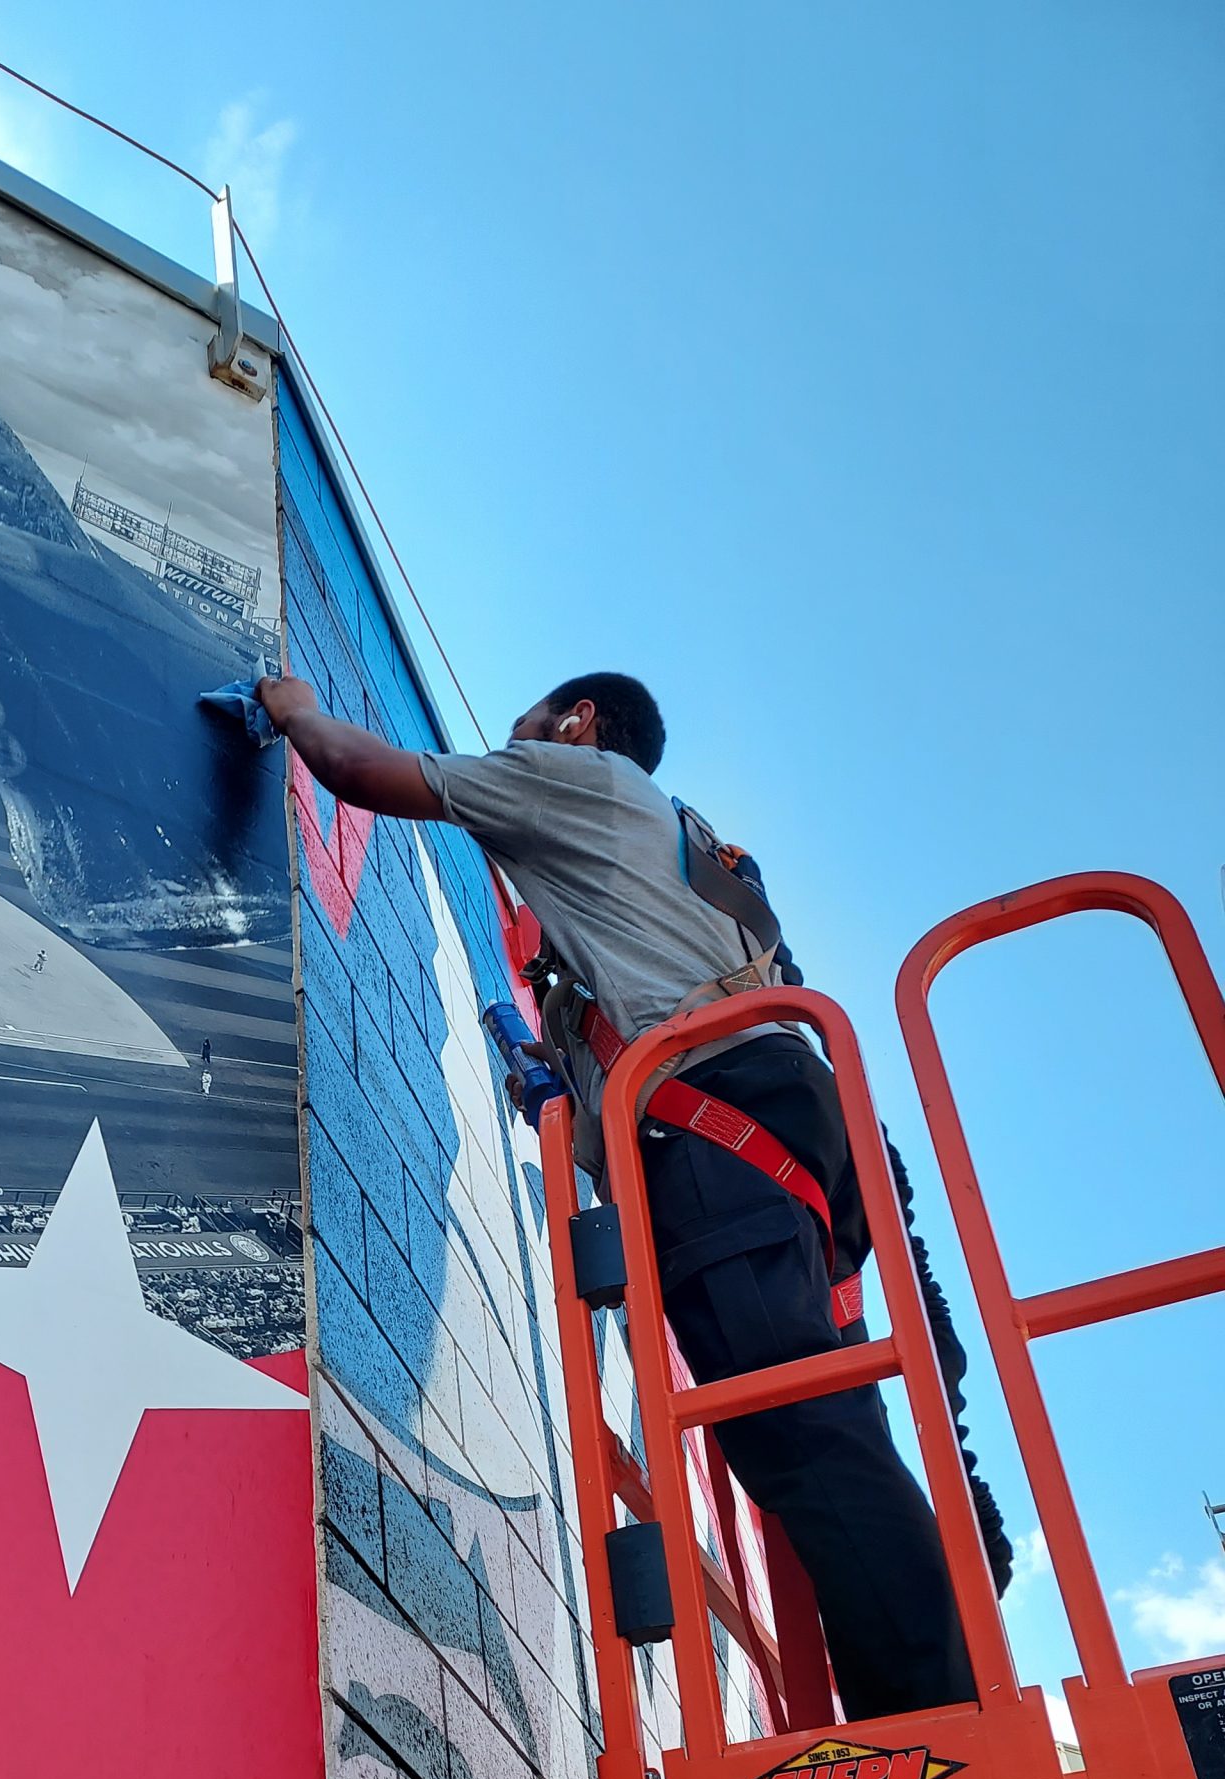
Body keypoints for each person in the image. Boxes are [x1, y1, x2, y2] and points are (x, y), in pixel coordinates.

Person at [256, 665, 979, 1725]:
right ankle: (934, 1715)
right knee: (816, 1422)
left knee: (797, 1436)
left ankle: (936, 1739)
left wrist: (297, 711)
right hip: (774, 1120)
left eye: (532, 727)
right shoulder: (675, 849)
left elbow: (357, 770)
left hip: (712, 1118)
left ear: (580, 724)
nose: (518, 747)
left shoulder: (578, 780)